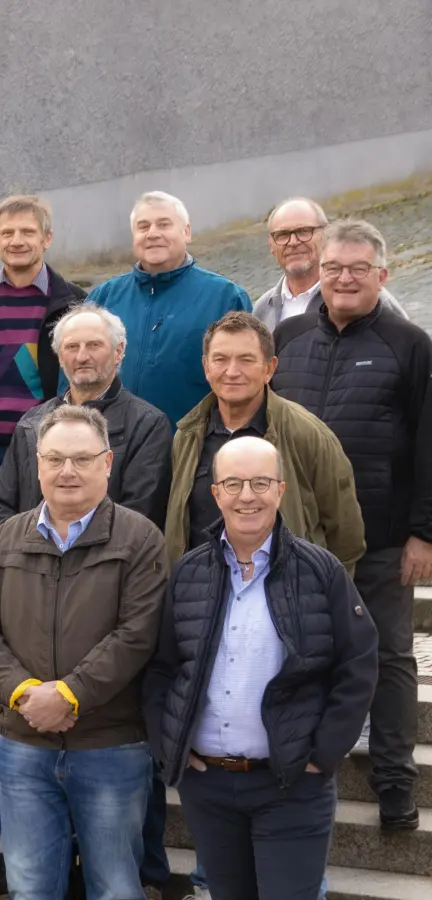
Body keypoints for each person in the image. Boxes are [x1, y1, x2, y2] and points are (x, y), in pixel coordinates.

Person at [144, 436, 378, 898]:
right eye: (232, 483)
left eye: (260, 483)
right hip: (208, 786)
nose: (246, 495)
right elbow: (161, 670)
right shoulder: (188, 573)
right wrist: (170, 745)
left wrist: (323, 754)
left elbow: (359, 664)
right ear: (215, 493)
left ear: (280, 490)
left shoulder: (321, 571)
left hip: (291, 784)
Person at [0, 404, 167, 900]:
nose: (66, 471)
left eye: (80, 459)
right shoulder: (7, 538)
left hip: (110, 746)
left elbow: (136, 634)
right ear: (37, 466)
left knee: (116, 887)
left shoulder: (139, 538)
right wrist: (27, 692)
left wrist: (70, 695)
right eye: (54, 459)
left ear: (108, 463)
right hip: (23, 744)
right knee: (31, 888)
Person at [271, 219, 431, 830]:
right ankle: (304, 767)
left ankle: (395, 782)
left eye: (357, 268)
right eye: (334, 266)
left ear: (381, 276)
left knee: (389, 657)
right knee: (301, 653)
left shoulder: (410, 344)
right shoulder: (287, 337)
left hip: (385, 539)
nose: (342, 278)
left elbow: (428, 447)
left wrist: (425, 532)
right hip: (300, 538)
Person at [167, 312, 365, 568]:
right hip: (201, 596)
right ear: (206, 367)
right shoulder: (187, 435)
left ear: (270, 368)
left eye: (246, 360)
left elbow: (346, 537)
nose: (232, 371)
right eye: (220, 359)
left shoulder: (307, 434)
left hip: (286, 599)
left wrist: (319, 598)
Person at [0, 303, 171, 528]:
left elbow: (139, 518)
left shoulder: (148, 425)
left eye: (94, 345)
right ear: (59, 356)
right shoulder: (31, 423)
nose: (82, 356)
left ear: (119, 351)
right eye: (72, 347)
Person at [89, 191, 252, 425]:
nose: (153, 234)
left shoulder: (225, 297)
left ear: (186, 232)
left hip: (190, 445)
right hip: (112, 444)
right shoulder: (103, 297)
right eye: (143, 227)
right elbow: (73, 373)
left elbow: (245, 381)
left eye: (164, 224)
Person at [0, 195, 85, 474]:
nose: (17, 241)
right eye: (7, 233)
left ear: (46, 238)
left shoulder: (73, 304)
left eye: (28, 232)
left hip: (45, 445)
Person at [251, 197, 404, 331]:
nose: (293, 242)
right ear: (271, 245)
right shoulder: (263, 309)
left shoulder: (368, 299)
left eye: (304, 231)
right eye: (282, 235)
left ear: (326, 235)